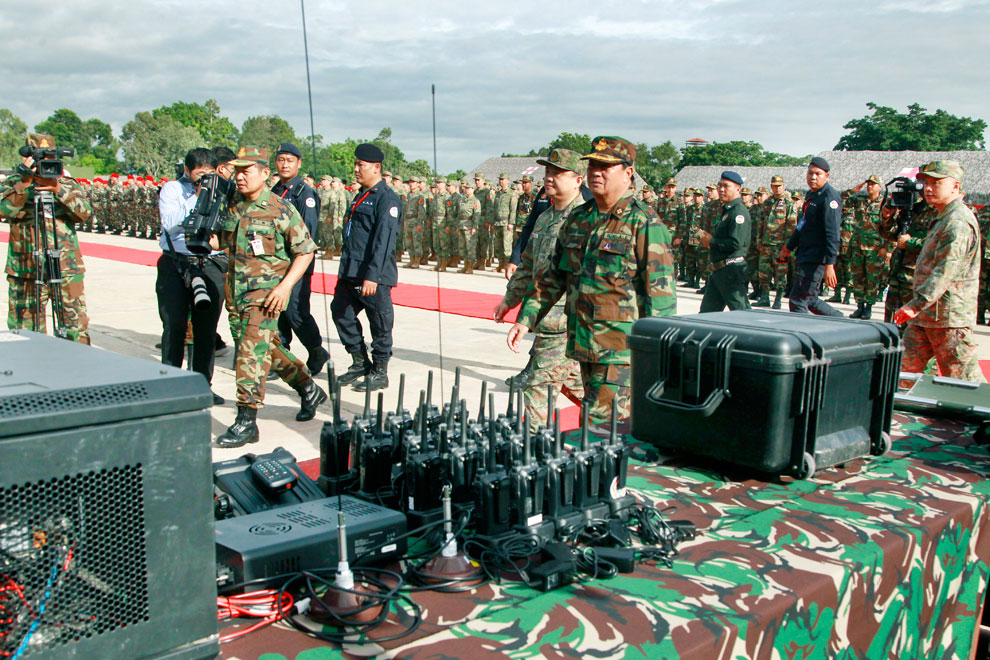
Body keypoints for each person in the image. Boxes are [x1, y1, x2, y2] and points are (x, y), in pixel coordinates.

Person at [507, 136, 676, 425]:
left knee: (602, 430)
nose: (596, 172)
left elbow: (660, 300)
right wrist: (526, 318)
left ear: (628, 172)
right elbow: (553, 278)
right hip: (582, 344)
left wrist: (656, 360)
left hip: (620, 352)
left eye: (605, 167)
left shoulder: (644, 223)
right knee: (595, 424)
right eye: (593, 165)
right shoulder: (579, 218)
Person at [215, 146, 327, 448]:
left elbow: (305, 251)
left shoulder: (281, 209)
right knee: (266, 348)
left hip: (265, 295)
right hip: (236, 294)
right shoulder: (234, 206)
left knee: (250, 354)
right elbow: (224, 243)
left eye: (246, 171)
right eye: (237, 171)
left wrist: (284, 287)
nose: (240, 177)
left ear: (265, 174)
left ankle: (246, 420)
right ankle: (307, 387)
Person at [495, 148, 587, 431]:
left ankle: (534, 447)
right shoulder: (546, 217)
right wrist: (510, 299)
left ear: (578, 180)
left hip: (565, 321)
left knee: (537, 389)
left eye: (558, 173)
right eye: (548, 171)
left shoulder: (584, 220)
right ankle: (618, 417)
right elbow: (528, 263)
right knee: (577, 384)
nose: (549, 177)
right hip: (544, 317)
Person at [893, 161, 984, 384]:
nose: (929, 188)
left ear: (956, 186)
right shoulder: (943, 217)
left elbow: (946, 270)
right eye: (927, 183)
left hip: (949, 318)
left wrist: (916, 305)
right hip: (927, 316)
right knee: (900, 372)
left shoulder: (957, 222)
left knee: (966, 383)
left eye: (937, 183)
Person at [1, 133, 92, 344]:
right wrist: (24, 184)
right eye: (38, 157)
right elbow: (2, 210)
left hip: (66, 268)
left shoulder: (67, 183)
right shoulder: (14, 184)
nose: (44, 162)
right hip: (26, 269)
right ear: (26, 157)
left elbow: (85, 213)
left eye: (49, 156)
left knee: (75, 329)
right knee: (24, 334)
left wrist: (58, 190)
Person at [156, 147, 227, 404]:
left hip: (209, 263)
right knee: (174, 326)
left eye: (209, 174)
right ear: (187, 171)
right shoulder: (172, 189)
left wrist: (213, 194)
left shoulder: (222, 191)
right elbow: (169, 224)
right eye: (199, 175)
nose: (205, 180)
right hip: (175, 263)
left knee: (206, 330)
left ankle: (202, 384)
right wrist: (198, 197)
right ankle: (171, 384)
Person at [331, 143, 403, 392]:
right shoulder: (361, 195)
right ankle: (360, 361)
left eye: (360, 165)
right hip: (351, 271)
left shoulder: (386, 199)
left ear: (376, 167)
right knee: (340, 312)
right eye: (355, 164)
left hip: (374, 275)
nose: (356, 169)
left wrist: (372, 276)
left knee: (380, 321)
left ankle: (380, 371)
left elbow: (384, 241)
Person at [270, 142, 330, 377]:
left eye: (290, 160)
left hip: (297, 262)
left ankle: (316, 350)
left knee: (295, 311)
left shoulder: (304, 193)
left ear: (299, 163)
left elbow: (309, 232)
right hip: (275, 263)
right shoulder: (276, 190)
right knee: (277, 310)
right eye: (281, 160)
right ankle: (281, 357)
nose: (285, 165)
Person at [779, 157, 843, 316]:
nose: (813, 177)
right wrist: (789, 247)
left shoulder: (829, 198)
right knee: (810, 299)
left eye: (817, 174)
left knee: (797, 300)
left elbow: (833, 234)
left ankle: (801, 331)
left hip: (816, 257)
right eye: (810, 173)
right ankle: (841, 320)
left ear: (826, 176)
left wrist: (830, 264)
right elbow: (802, 223)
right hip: (805, 253)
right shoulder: (811, 195)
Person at [696, 171, 752, 312]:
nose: (721, 189)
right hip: (719, 270)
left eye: (726, 186)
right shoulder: (727, 210)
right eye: (720, 185)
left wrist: (712, 242)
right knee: (707, 315)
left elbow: (736, 243)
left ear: (738, 189)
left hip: (731, 270)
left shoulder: (738, 212)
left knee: (742, 313)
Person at [754, 175, 796, 309]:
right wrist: (759, 240)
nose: (777, 188)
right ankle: (764, 298)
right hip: (766, 244)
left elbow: (791, 226)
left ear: (783, 186)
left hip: (780, 246)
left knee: (780, 274)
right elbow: (760, 222)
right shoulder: (767, 203)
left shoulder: (789, 204)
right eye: (774, 186)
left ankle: (778, 299)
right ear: (771, 187)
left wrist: (787, 246)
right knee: (763, 273)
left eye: (779, 186)